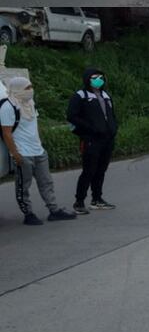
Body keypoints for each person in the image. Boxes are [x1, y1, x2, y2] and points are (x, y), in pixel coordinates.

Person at [1, 77, 77, 225]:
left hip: (38, 151)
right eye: (27, 87)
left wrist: (40, 144)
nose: (31, 90)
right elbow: (6, 133)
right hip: (23, 153)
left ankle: (54, 210)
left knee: (46, 182)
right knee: (23, 185)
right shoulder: (8, 107)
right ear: (18, 89)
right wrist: (15, 153)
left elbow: (33, 126)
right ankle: (28, 213)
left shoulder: (30, 103)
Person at [68, 68, 119, 213]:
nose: (98, 80)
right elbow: (72, 116)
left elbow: (111, 115)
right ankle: (79, 202)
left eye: (101, 77)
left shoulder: (106, 95)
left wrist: (113, 128)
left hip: (107, 139)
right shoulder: (81, 96)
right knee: (89, 170)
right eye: (95, 78)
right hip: (91, 139)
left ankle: (97, 199)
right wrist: (90, 129)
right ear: (87, 79)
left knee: (101, 170)